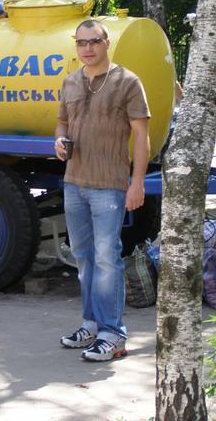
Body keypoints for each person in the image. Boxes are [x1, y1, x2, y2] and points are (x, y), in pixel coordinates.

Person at [54, 19, 150, 362]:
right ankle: (91, 325)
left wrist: (136, 182)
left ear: (107, 43)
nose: (87, 48)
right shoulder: (70, 81)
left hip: (109, 186)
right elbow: (62, 122)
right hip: (74, 183)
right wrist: (58, 141)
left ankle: (113, 334)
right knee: (83, 257)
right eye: (81, 42)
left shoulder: (127, 82)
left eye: (94, 41)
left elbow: (142, 135)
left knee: (107, 259)